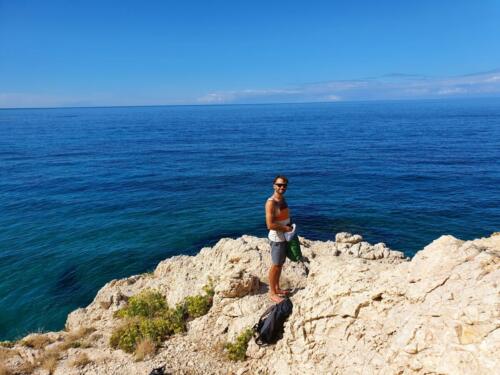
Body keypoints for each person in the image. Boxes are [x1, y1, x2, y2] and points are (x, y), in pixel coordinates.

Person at [265, 175, 293, 303]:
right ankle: (272, 293)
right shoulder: (271, 202)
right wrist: (286, 229)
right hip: (277, 238)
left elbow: (284, 216)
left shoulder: (282, 199)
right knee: (276, 265)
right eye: (279, 185)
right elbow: (270, 225)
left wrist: (290, 226)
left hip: (284, 236)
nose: (282, 187)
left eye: (284, 185)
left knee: (280, 264)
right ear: (274, 185)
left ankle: (277, 288)